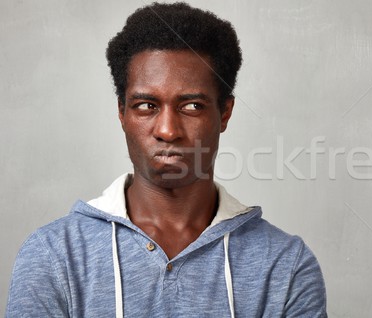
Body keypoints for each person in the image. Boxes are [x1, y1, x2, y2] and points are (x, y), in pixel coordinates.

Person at [6, 2, 327, 317]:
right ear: (122, 112)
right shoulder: (53, 255)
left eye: (192, 106)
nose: (168, 130)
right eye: (147, 106)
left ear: (225, 112)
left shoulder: (285, 265)